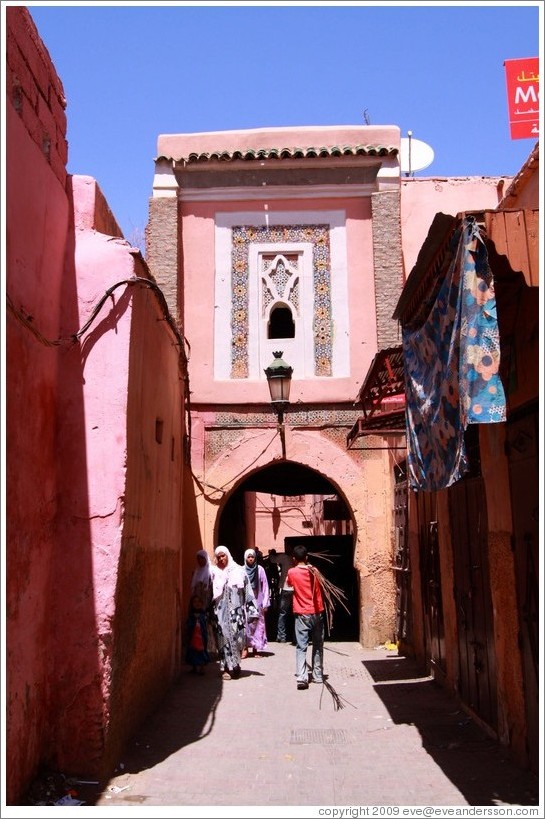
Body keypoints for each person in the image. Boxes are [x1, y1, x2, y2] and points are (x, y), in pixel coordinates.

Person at [211, 545, 259, 680]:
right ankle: (225, 668)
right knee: (223, 639)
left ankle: (236, 665)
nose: (221, 559)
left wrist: (252, 611)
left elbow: (248, 591)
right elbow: (209, 594)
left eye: (223, 556)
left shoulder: (239, 571)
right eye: (218, 557)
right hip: (220, 614)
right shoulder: (215, 574)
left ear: (228, 555)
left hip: (236, 614)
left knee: (238, 639)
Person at [286, 543, 325, 690]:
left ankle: (302, 677)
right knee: (318, 645)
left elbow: (289, 585)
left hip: (302, 614)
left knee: (301, 646)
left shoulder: (292, 572)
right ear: (307, 557)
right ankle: (318, 675)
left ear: (294, 559)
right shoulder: (315, 571)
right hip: (317, 613)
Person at [242, 548, 270, 657]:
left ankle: (256, 648)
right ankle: (245, 648)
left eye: (252, 557)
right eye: (248, 557)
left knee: (258, 624)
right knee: (245, 624)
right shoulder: (242, 570)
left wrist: (265, 602)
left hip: (258, 600)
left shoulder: (260, 570)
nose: (250, 559)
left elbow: (265, 586)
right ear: (245, 558)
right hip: (246, 601)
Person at [185, 594, 210, 675]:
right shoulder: (191, 615)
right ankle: (194, 667)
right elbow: (189, 625)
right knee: (193, 651)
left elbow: (205, 626)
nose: (197, 603)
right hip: (193, 637)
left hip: (202, 637)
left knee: (201, 651)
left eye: (199, 602)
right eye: (195, 602)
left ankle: (202, 667)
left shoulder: (203, 614)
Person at [275, 550, 295, 643]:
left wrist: (272, 554)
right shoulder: (298, 563)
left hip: (286, 589)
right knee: (297, 614)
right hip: (295, 591)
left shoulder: (284, 557)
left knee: (283, 613)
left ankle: (281, 636)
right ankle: (296, 637)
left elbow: (272, 560)